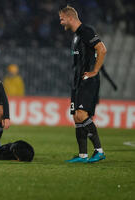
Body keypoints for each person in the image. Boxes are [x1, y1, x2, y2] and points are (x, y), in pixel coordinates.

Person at [59, 6, 107, 163]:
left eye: (62, 18)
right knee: (76, 117)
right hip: (77, 81)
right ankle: (83, 156)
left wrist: (94, 71)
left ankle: (99, 151)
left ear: (70, 18)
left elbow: (102, 49)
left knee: (82, 115)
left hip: (88, 80)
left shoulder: (86, 30)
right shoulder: (76, 35)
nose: (61, 22)